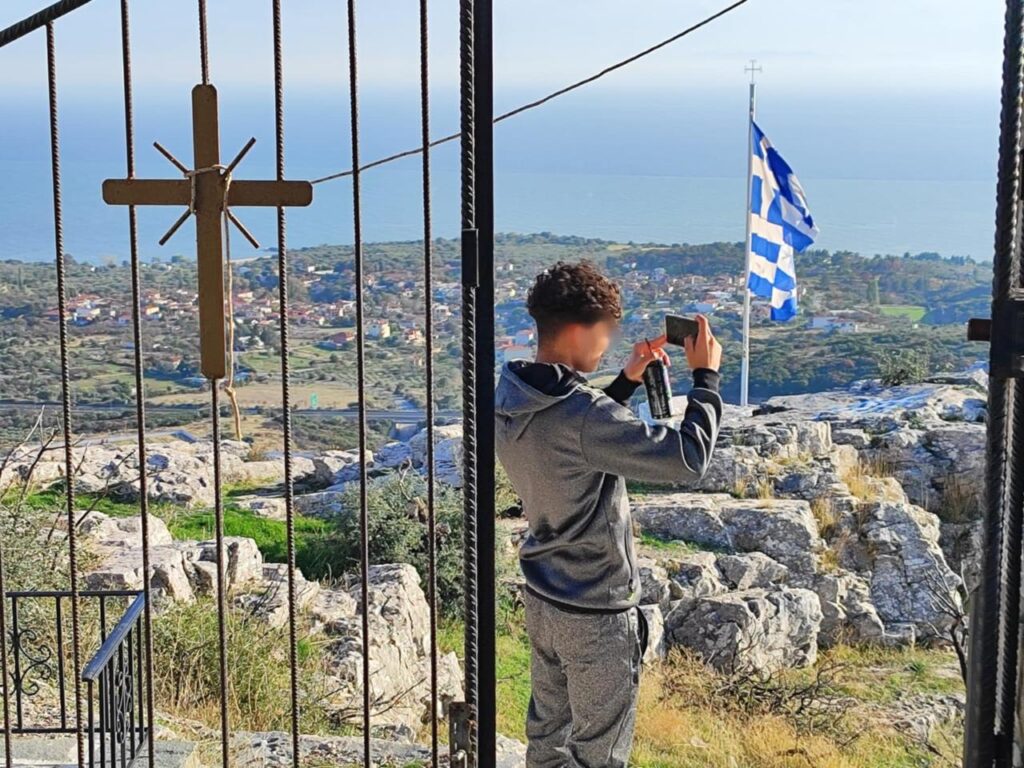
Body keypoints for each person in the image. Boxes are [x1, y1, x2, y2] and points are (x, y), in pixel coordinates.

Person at [494, 260, 723, 768]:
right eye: (607, 331)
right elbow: (688, 460)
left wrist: (625, 382)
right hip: (596, 609)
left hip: (545, 597)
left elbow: (570, 434)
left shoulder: (511, 394)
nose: (608, 343)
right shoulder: (583, 416)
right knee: (601, 755)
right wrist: (706, 377)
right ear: (580, 329)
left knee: (548, 744)